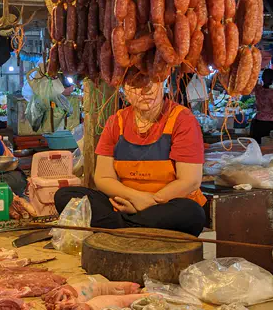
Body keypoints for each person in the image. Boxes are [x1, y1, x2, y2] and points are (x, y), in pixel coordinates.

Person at [54, 73, 206, 236]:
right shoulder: (116, 121)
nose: (145, 91)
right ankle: (133, 228)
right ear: (123, 89)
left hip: (167, 205)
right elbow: (103, 178)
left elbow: (190, 181)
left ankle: (119, 228)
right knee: (65, 195)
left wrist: (149, 203)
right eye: (135, 85)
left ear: (162, 83)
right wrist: (136, 198)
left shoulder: (182, 119)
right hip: (127, 202)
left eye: (152, 81)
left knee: (191, 213)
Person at [249, 68, 273, 144]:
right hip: (269, 124)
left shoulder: (257, 88)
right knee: (268, 146)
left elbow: (251, 83)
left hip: (257, 122)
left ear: (263, 78)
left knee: (256, 145)